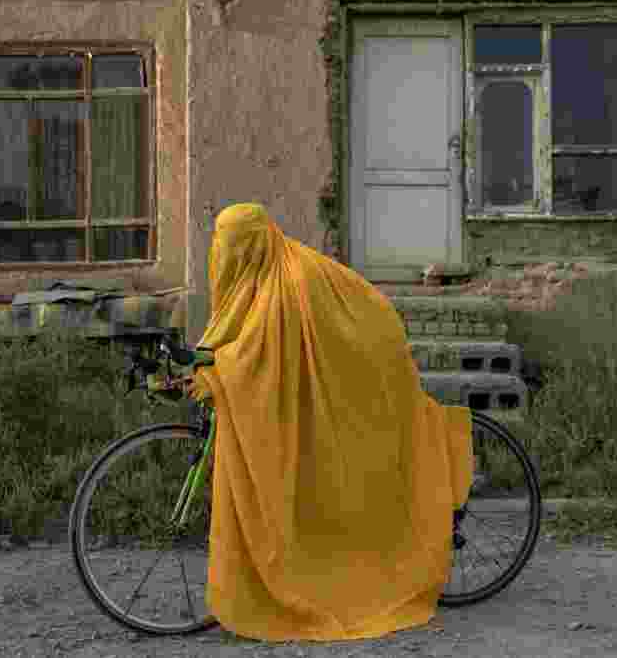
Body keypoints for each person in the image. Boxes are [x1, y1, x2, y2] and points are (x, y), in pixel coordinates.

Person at [190, 202, 474, 642]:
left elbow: (256, 356)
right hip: (342, 355)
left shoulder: (287, 285)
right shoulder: (267, 271)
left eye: (233, 243)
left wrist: (215, 373)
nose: (226, 254)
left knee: (349, 459)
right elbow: (243, 336)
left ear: (252, 243)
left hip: (357, 364)